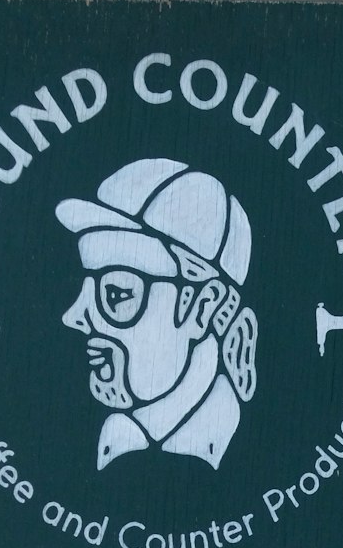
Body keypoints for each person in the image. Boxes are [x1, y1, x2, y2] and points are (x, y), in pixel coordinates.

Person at [56, 156, 259, 472]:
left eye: (117, 294)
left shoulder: (219, 451)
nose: (75, 315)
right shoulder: (110, 436)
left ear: (202, 306)